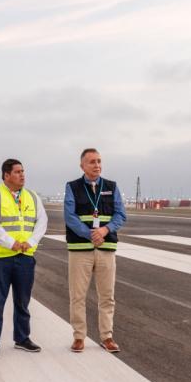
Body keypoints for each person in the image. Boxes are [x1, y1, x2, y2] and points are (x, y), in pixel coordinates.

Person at [0, 158, 47, 356]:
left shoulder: (32, 197)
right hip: (1, 258)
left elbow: (42, 221)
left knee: (23, 301)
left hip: (25, 257)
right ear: (6, 175)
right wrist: (11, 243)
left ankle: (22, 338)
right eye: (17, 172)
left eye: (23, 171)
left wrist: (31, 242)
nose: (22, 175)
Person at [64, 148, 127, 354]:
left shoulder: (112, 186)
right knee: (78, 295)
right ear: (82, 165)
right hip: (80, 249)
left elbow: (120, 215)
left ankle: (107, 336)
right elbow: (70, 216)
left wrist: (104, 230)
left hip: (106, 248)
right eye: (92, 161)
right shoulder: (72, 187)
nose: (97, 165)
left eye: (99, 161)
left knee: (107, 295)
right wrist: (90, 234)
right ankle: (79, 336)